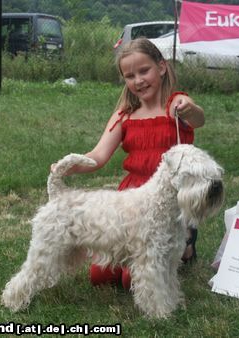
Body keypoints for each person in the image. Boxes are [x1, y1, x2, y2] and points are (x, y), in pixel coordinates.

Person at [51, 38, 205, 289]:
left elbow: (199, 119)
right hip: (131, 201)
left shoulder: (177, 106)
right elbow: (99, 156)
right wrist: (71, 166)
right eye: (130, 76)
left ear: (162, 67)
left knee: (132, 278)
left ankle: (186, 243)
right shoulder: (124, 114)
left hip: (170, 198)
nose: (139, 80)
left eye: (144, 71)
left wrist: (189, 108)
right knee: (100, 278)